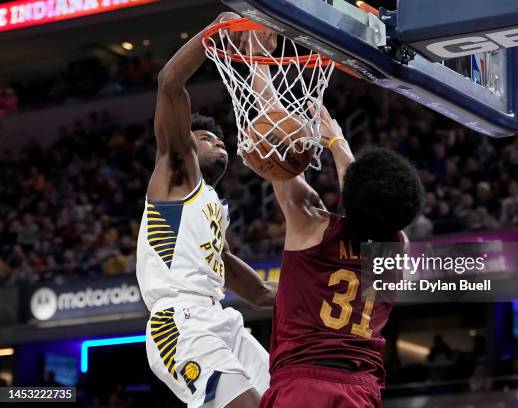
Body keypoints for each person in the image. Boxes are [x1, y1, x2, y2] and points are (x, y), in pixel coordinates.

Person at [251, 70, 424, 405]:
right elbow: (368, 195)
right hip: (360, 391)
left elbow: (275, 131)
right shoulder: (397, 248)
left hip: (304, 384)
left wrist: (258, 66)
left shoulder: (311, 223)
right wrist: (339, 145)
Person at [136, 13, 277, 408]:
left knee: (287, 397)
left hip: (220, 318)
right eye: (206, 137)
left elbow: (260, 292)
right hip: (177, 321)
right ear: (186, 143)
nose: (220, 143)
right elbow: (169, 83)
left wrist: (316, 296)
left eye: (221, 138)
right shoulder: (175, 172)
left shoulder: (211, 210)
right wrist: (218, 29)